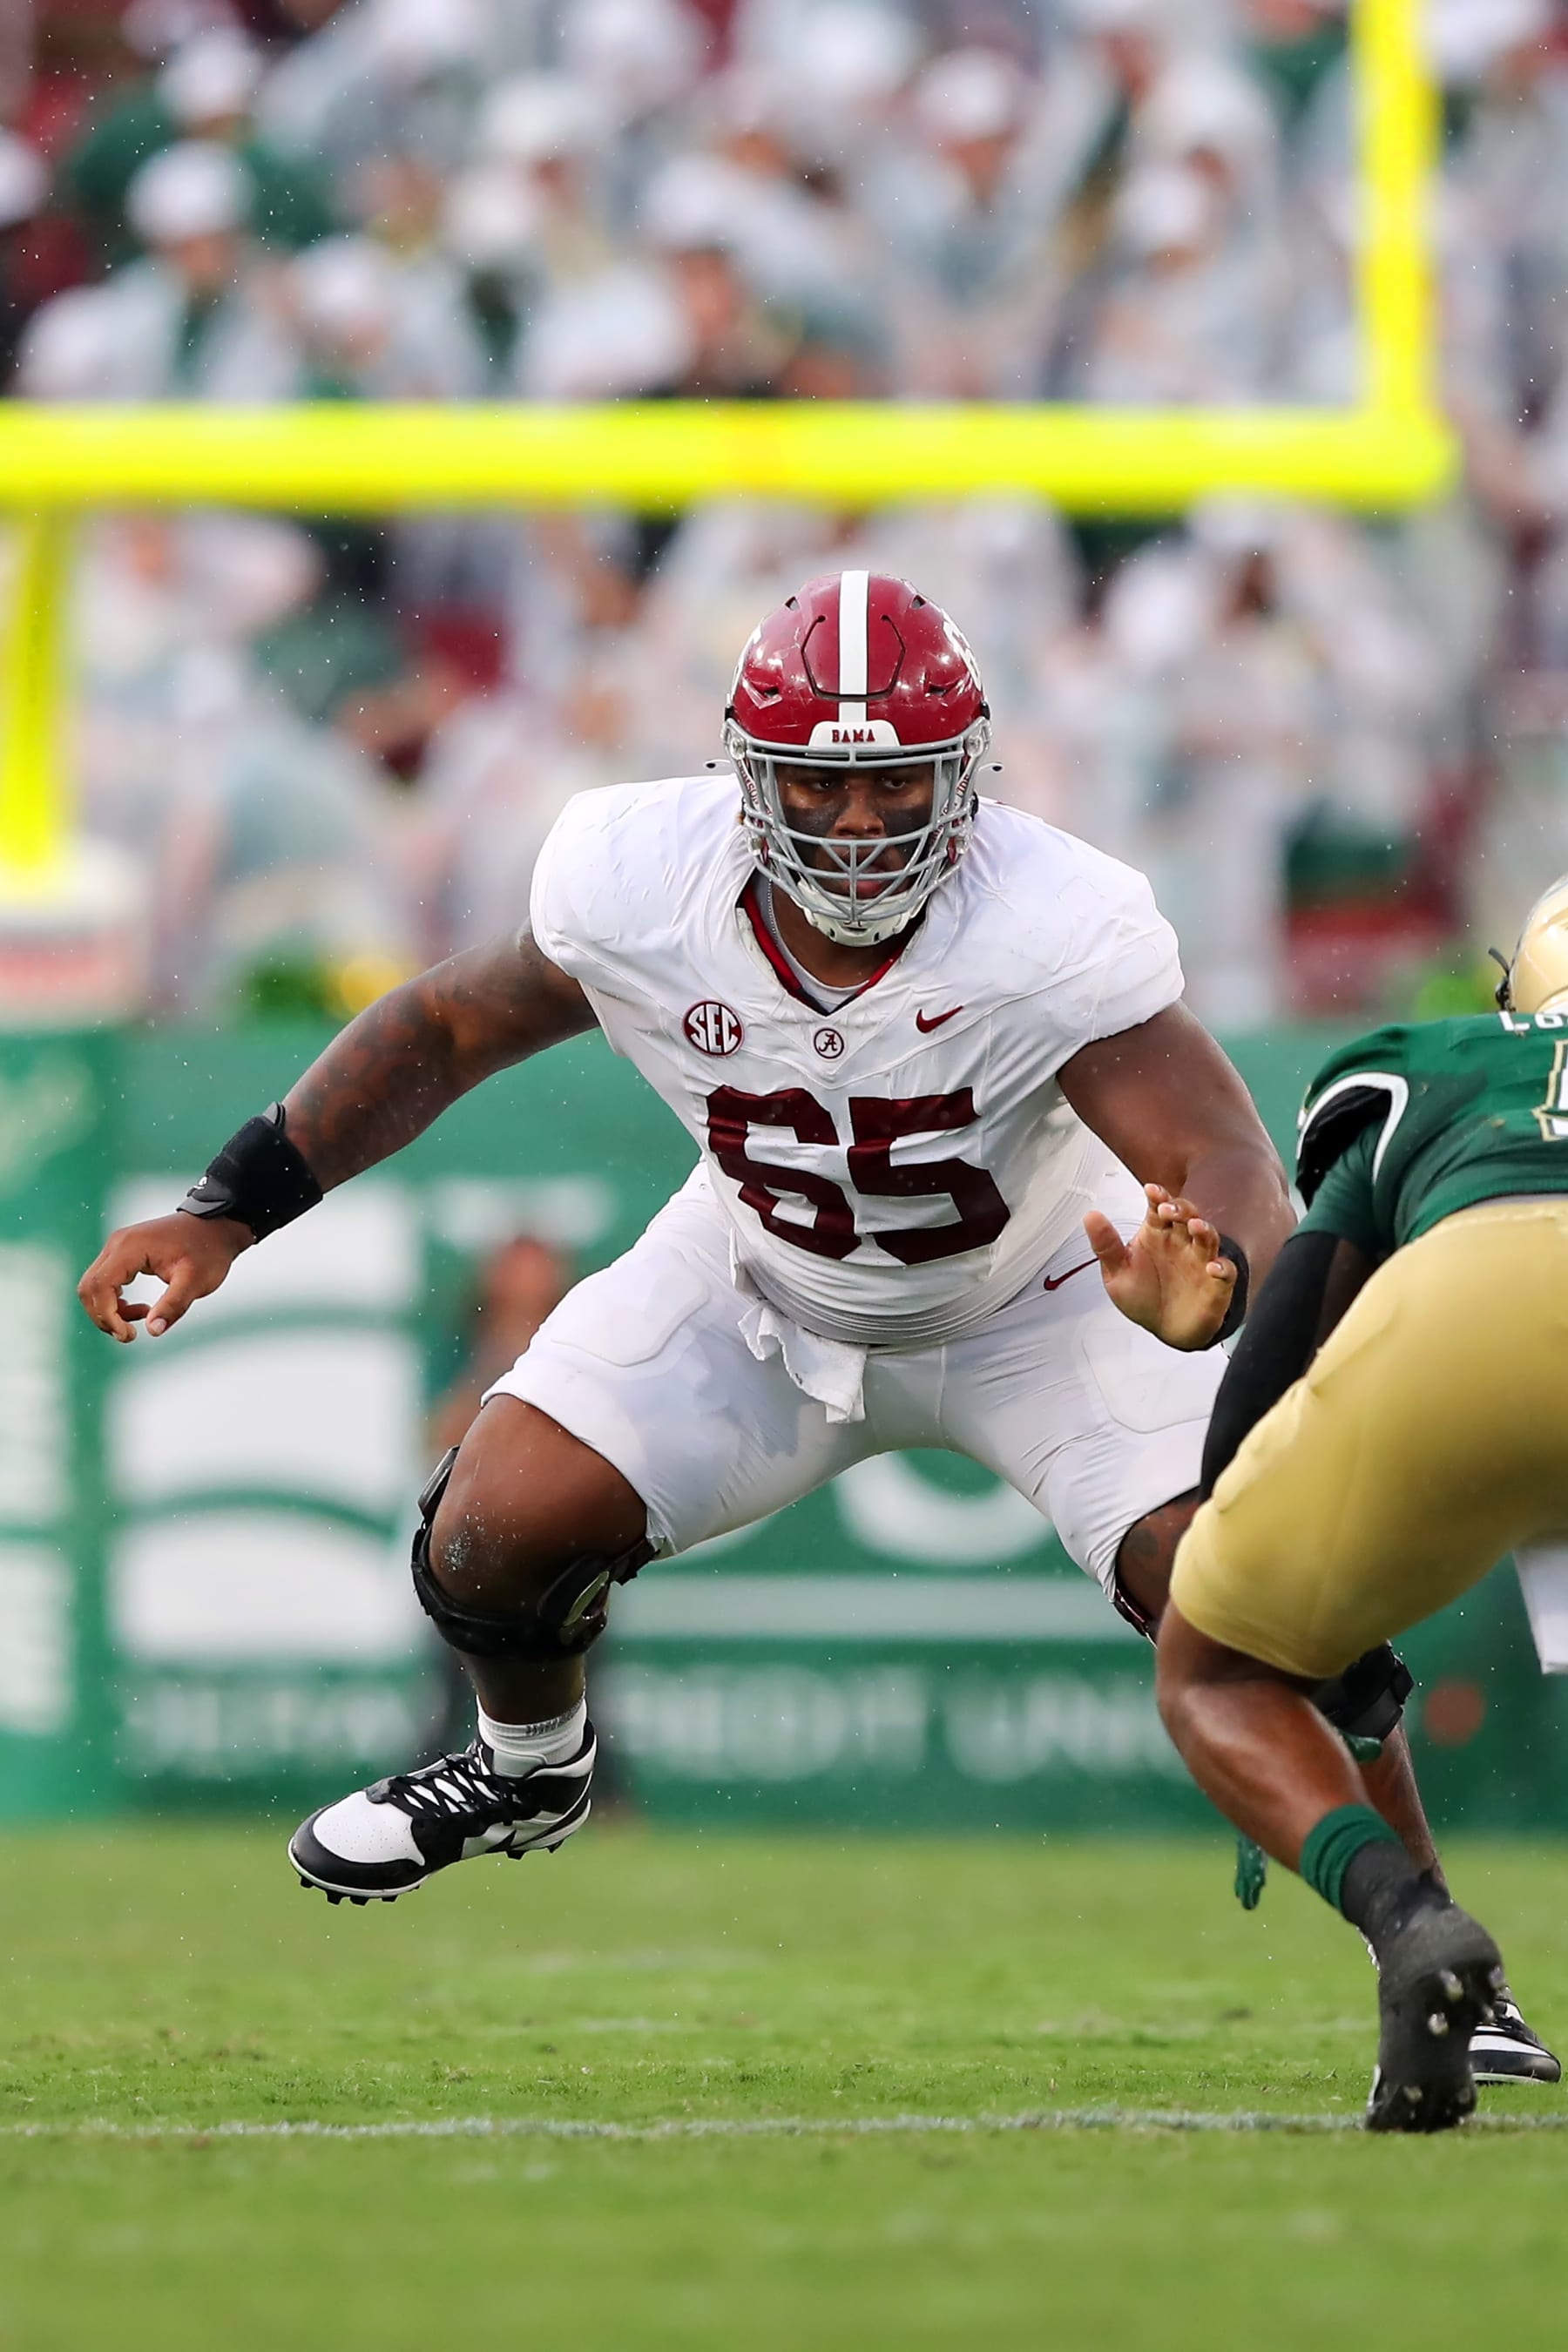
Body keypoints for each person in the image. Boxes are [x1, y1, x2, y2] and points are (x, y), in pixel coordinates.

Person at [77, 573, 1547, 2091]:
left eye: (895, 781)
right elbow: (444, 1028)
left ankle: (1438, 1956)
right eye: (821, 782)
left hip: (1045, 1295)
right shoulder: (641, 877)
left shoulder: (1049, 917)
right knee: (485, 1538)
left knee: (1267, 1612)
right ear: (747, 773)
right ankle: (530, 1768)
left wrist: (1217, 1280)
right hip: (760, 1273)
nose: (856, 821)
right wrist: (228, 1208)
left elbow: (1221, 1151)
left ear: (962, 773)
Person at [1154, 875, 1568, 2131]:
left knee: (1215, 1671)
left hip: (1478, 1303)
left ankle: (1410, 1918)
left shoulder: (1437, 1066)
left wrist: (1261, 1581)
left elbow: (1279, 1363)